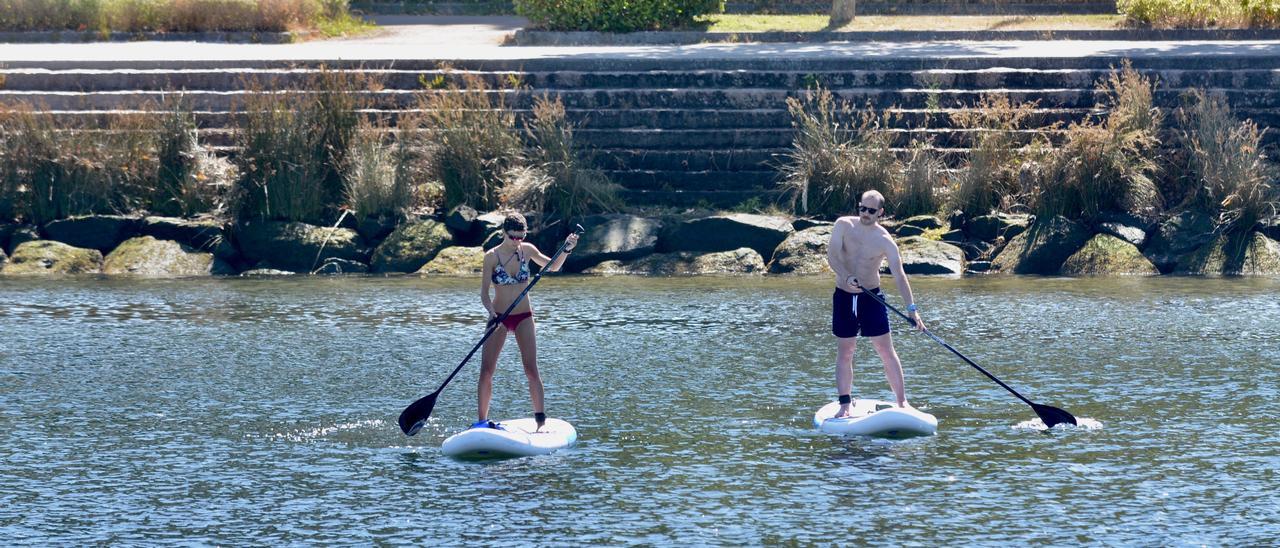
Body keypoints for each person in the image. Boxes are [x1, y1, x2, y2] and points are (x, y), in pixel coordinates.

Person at [826, 190, 926, 418]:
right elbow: (832, 255)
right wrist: (845, 275)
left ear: (880, 213)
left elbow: (899, 276)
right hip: (844, 296)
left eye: (871, 211)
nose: (865, 214)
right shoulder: (843, 225)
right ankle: (845, 405)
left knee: (885, 350)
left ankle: (902, 403)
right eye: (862, 208)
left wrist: (912, 310)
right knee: (846, 351)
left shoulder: (884, 241)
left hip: (871, 297)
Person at [476, 212, 578, 431]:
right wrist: (492, 313)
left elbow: (553, 266)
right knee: (487, 371)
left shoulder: (528, 250)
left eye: (521, 237)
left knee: (531, 370)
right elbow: (484, 293)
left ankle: (540, 422)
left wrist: (567, 249)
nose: (517, 241)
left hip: (524, 317)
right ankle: (481, 421)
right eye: (513, 237)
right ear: (504, 233)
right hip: (499, 318)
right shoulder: (491, 257)